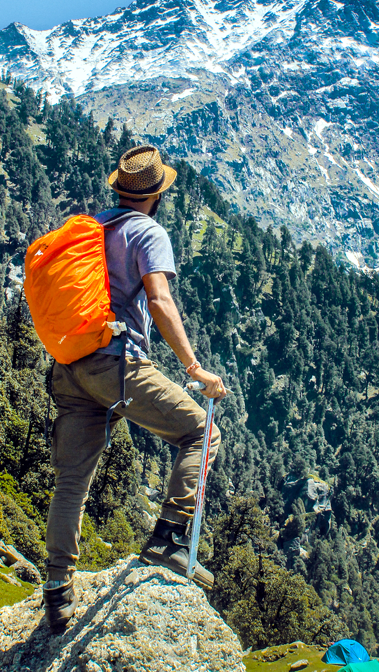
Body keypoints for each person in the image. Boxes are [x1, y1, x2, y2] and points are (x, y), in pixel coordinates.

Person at [43, 144, 225, 632]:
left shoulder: (95, 228)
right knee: (199, 433)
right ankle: (168, 539)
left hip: (70, 366)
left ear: (119, 189)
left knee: (72, 482)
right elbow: (159, 299)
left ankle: (57, 592)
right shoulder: (148, 230)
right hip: (116, 363)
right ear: (157, 195)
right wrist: (194, 367)